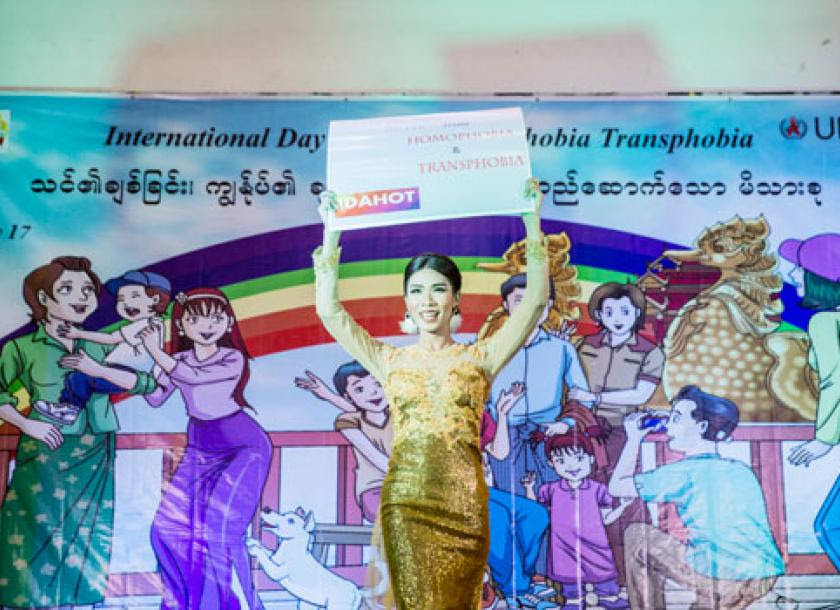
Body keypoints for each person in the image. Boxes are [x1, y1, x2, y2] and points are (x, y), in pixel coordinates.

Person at [313, 180, 548, 609]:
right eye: (417, 291)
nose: (428, 300)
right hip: (408, 504)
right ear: (406, 302)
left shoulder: (481, 357)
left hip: (465, 506)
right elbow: (330, 312)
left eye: (438, 289)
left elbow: (534, 301)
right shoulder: (389, 360)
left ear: (455, 299)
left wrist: (532, 221)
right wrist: (332, 232)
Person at [0, 256, 157, 609]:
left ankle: (80, 602)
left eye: (87, 289)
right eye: (68, 289)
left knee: (89, 531)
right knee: (32, 529)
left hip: (96, 447)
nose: (81, 297)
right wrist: (28, 424)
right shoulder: (21, 347)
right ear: (44, 298)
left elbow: (145, 383)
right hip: (46, 448)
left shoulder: (98, 343)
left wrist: (100, 368)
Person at [138, 287, 271, 610]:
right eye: (195, 319)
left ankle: (235, 605)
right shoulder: (177, 360)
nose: (206, 326)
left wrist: (157, 352)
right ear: (181, 326)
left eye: (215, 318)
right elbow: (155, 398)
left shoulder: (232, 358)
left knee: (220, 531)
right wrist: (151, 363)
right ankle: (185, 604)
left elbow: (194, 377)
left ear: (228, 322)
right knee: (166, 530)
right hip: (201, 446)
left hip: (243, 446)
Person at [609, 385, 784, 609]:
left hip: (721, 576)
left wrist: (633, 439)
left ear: (701, 426)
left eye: (676, 418)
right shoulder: (741, 470)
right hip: (763, 577)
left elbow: (616, 487)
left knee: (637, 535)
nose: (668, 426)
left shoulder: (683, 472)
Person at [569, 281, 665, 580]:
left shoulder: (650, 352)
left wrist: (595, 398)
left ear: (637, 313)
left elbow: (640, 394)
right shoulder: (584, 346)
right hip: (583, 432)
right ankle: (585, 574)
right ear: (599, 315)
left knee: (623, 500)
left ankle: (629, 573)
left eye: (625, 310)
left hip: (621, 433)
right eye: (609, 311)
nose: (617, 318)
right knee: (583, 498)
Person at [485, 272, 591, 497]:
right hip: (504, 437)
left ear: (549, 305)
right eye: (520, 300)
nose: (530, 308)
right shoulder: (489, 349)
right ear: (505, 305)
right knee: (507, 501)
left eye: (537, 301)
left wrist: (566, 424)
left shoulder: (562, 349)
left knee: (552, 500)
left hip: (549, 435)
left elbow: (581, 396)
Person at [34, 269, 171, 425]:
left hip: (128, 373)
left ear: (155, 299)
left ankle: (69, 410)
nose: (126, 303)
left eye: (134, 296)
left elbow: (112, 338)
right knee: (79, 378)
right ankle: (69, 409)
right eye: (121, 299)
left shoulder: (146, 324)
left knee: (79, 378)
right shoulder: (151, 323)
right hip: (125, 372)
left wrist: (78, 333)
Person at [780, 233, 840, 569]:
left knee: (831, 527)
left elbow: (835, 378)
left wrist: (825, 438)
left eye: (800, 269)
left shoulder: (825, 321)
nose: (792, 275)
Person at [523, 431, 631, 609]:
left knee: (602, 571)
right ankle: (573, 600)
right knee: (569, 576)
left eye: (579, 458)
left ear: (591, 459)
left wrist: (622, 507)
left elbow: (606, 517)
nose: (571, 466)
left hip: (595, 545)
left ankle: (608, 597)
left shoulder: (598, 489)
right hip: (564, 546)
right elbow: (538, 512)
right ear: (551, 463)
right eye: (561, 461)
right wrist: (529, 489)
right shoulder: (550, 490)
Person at [295, 362, 392, 523]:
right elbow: (374, 455)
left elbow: (363, 407)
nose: (374, 392)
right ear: (348, 396)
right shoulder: (349, 421)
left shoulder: (397, 416)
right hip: (375, 489)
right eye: (360, 389)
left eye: (379, 384)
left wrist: (328, 395)